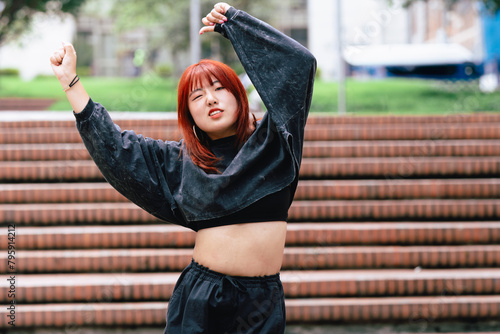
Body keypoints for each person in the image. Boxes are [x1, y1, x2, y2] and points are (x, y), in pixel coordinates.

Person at [50, 2, 316, 333]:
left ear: (239, 95)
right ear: (189, 115)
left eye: (219, 89)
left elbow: (298, 66)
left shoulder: (276, 143)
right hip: (204, 298)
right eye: (197, 96)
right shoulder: (181, 162)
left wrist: (234, 23)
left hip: (263, 301)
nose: (210, 99)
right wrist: (71, 82)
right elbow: (116, 149)